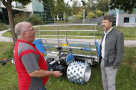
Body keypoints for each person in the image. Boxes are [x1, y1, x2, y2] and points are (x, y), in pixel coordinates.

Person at [14, 22, 62, 90]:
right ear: (23, 34)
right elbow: (33, 72)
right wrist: (52, 73)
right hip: (33, 86)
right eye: (32, 29)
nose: (35, 31)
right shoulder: (26, 49)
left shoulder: (20, 44)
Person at [99, 15, 124, 90]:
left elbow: (120, 51)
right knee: (104, 80)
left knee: (111, 83)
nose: (103, 24)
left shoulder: (118, 34)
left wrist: (115, 65)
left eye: (105, 22)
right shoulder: (105, 33)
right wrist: (100, 58)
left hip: (111, 63)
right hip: (103, 61)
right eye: (102, 22)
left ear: (110, 23)